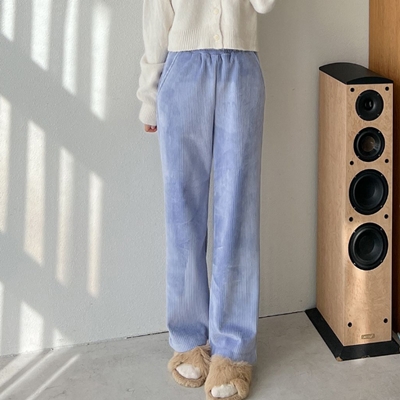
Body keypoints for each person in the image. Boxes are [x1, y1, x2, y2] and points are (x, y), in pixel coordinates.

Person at [136, 1, 277, 399]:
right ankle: (189, 340)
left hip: (240, 69)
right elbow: (156, 17)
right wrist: (149, 96)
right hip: (183, 70)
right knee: (182, 213)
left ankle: (232, 351)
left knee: (238, 213)